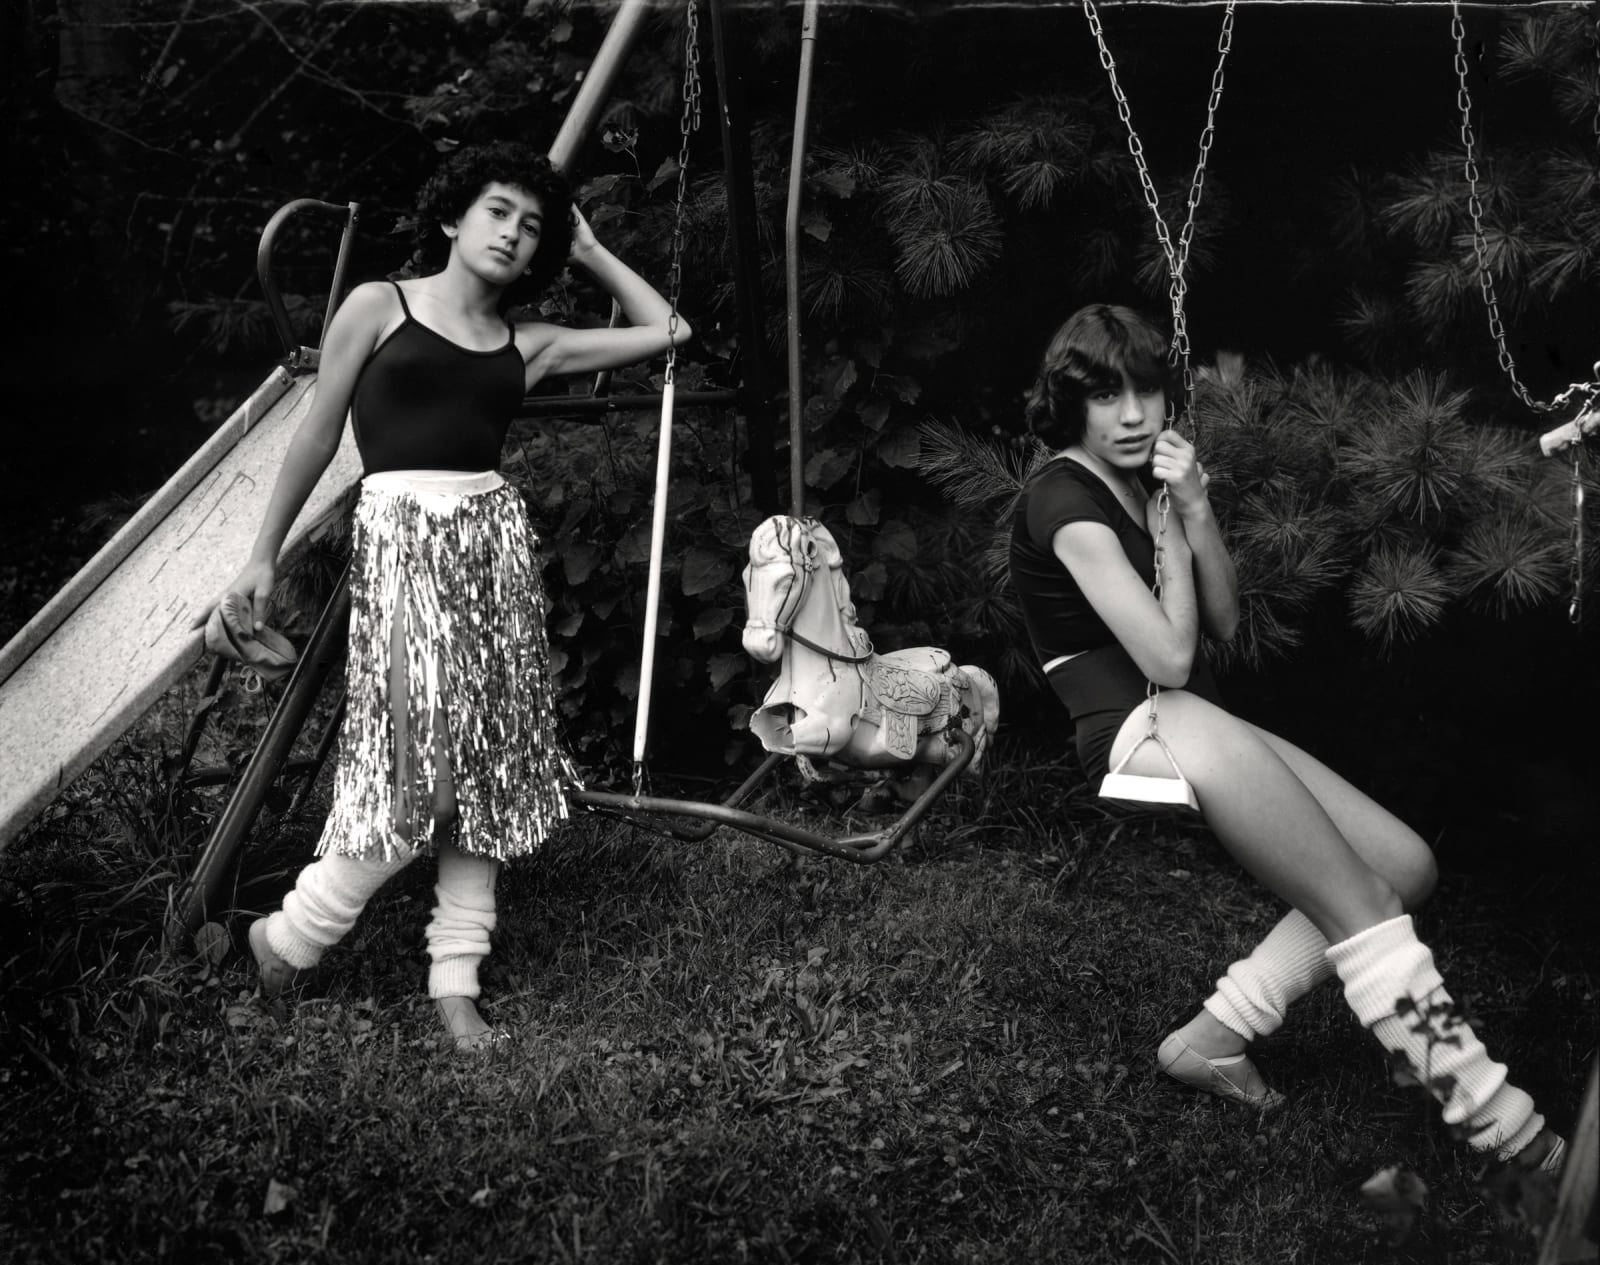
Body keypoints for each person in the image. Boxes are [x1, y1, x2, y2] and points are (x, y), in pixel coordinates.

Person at [1007, 303, 1564, 1170]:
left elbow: (1225, 619)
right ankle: (1505, 1126)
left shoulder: (1147, 482)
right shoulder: (1063, 499)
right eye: (1106, 395)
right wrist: (1164, 549)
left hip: (1196, 716)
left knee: (1404, 864)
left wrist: (1192, 508)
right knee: (1367, 907)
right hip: (1139, 728)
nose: (1131, 415)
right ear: (1070, 401)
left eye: (1147, 391)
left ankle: (1213, 1036)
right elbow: (1171, 652)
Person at [196, 141, 691, 1051]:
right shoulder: (378, 306)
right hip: (402, 545)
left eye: (532, 224)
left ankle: (455, 981)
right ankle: (287, 937)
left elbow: (670, 331)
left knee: (494, 770)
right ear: (453, 218)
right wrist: (261, 554)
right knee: (420, 776)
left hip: (490, 551)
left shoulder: (527, 342)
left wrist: (585, 248)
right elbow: (315, 436)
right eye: (498, 210)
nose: (514, 232)